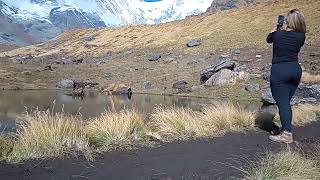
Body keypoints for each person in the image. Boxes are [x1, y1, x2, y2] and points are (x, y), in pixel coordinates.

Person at [266, 9, 306, 143]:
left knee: (283, 104)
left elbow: (268, 39)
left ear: (288, 21)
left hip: (280, 71)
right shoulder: (301, 36)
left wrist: (276, 28)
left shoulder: (278, 34)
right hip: (295, 70)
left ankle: (287, 135)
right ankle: (284, 129)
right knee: (285, 103)